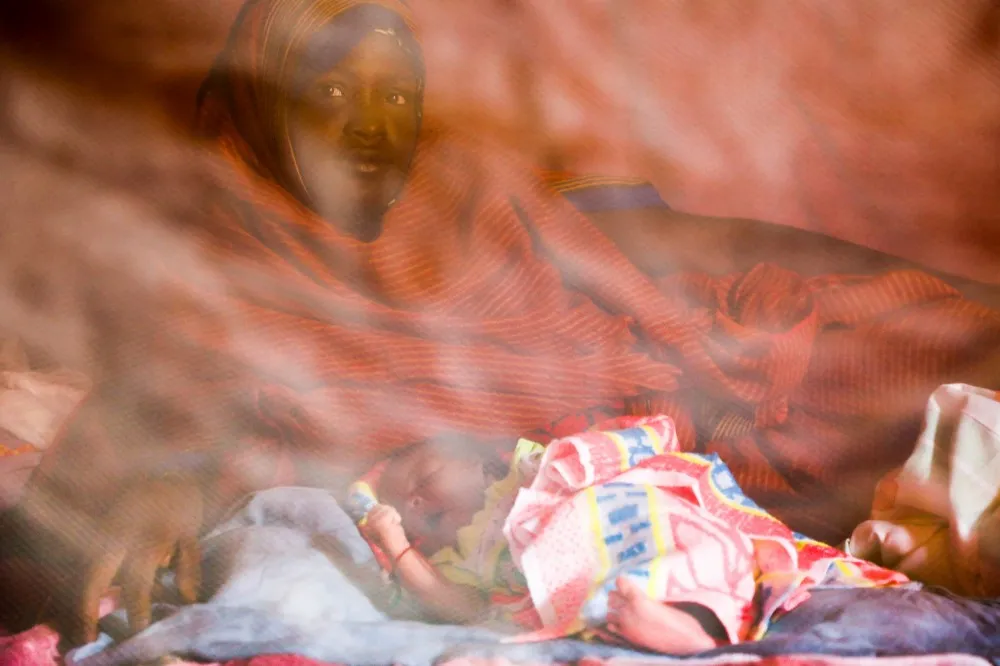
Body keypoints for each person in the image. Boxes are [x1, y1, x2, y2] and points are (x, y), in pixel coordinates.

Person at [3, 0, 999, 650]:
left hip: (674, 362)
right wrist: (163, 476)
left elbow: (624, 274)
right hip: (602, 446)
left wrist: (707, 365)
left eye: (397, 94)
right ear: (266, 103)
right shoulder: (219, 235)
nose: (371, 123)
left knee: (931, 364)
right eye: (332, 89)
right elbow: (182, 380)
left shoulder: (463, 183)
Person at [357, 416, 906, 654]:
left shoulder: (530, 465)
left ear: (475, 459)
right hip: (571, 579)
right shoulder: (458, 557)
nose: (416, 503)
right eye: (413, 510)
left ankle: (694, 624)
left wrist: (557, 473)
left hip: (625, 520)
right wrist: (398, 546)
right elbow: (456, 606)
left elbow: (629, 454)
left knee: (704, 549)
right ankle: (679, 631)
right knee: (608, 597)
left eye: (423, 480)